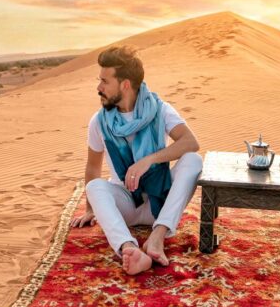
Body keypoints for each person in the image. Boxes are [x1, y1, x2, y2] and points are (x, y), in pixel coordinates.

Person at [69, 45, 202, 274]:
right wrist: (91, 209)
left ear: (125, 85)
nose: (99, 88)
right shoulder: (99, 122)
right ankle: (129, 248)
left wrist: (149, 160)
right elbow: (92, 168)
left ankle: (157, 237)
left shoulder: (160, 110)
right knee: (94, 186)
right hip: (126, 206)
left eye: (104, 81)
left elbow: (191, 142)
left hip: (159, 201)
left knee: (193, 160)